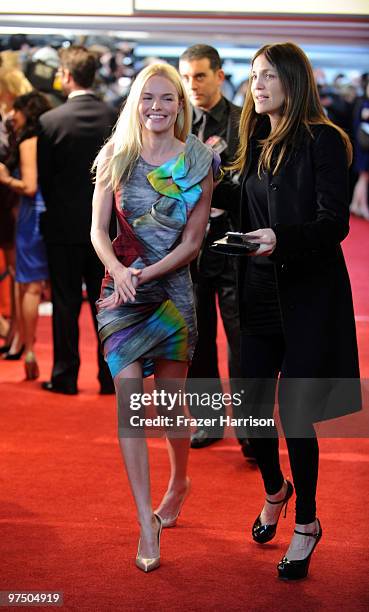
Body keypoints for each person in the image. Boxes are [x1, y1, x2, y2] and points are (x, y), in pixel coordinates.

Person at [230, 42, 360, 580]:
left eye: (267, 76)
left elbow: (335, 224)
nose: (257, 85)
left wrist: (278, 238)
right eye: (253, 77)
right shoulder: (253, 139)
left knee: (298, 418)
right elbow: (246, 208)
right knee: (251, 413)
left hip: (307, 297)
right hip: (256, 294)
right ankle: (274, 490)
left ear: (292, 80)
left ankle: (306, 523)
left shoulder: (325, 140)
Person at [91, 62, 215, 572]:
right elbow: (98, 231)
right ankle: (146, 521)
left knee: (166, 409)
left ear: (180, 106)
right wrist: (120, 271)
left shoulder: (200, 159)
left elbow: (192, 242)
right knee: (130, 406)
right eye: (148, 98)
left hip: (170, 294)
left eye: (167, 99)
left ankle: (179, 480)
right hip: (120, 295)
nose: (157, 108)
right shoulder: (115, 156)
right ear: (135, 103)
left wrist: (142, 275)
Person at [37, 46, 116, 395]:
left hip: (62, 228)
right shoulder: (114, 118)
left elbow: (43, 179)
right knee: (108, 306)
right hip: (108, 230)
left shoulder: (50, 121)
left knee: (65, 303)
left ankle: (65, 376)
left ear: (67, 76)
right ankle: (109, 377)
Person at [179, 44, 245, 450]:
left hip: (234, 242)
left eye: (200, 76)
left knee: (242, 341)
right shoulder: (177, 122)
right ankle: (208, 419)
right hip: (190, 248)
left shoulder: (243, 122)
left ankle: (251, 429)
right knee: (198, 339)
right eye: (185, 78)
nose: (192, 86)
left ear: (219, 76)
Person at [0, 91, 51, 378]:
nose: (11, 116)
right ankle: (22, 343)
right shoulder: (41, 137)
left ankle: (29, 348)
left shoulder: (29, 141)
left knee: (29, 284)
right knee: (26, 283)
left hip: (32, 215)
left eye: (15, 111)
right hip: (37, 215)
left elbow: (30, 186)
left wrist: (7, 178)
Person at [0, 67, 33, 357]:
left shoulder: (20, 134)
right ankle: (15, 336)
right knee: (17, 276)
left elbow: (29, 184)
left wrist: (7, 179)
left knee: (21, 276)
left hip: (13, 207)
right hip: (11, 206)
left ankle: (20, 340)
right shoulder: (14, 129)